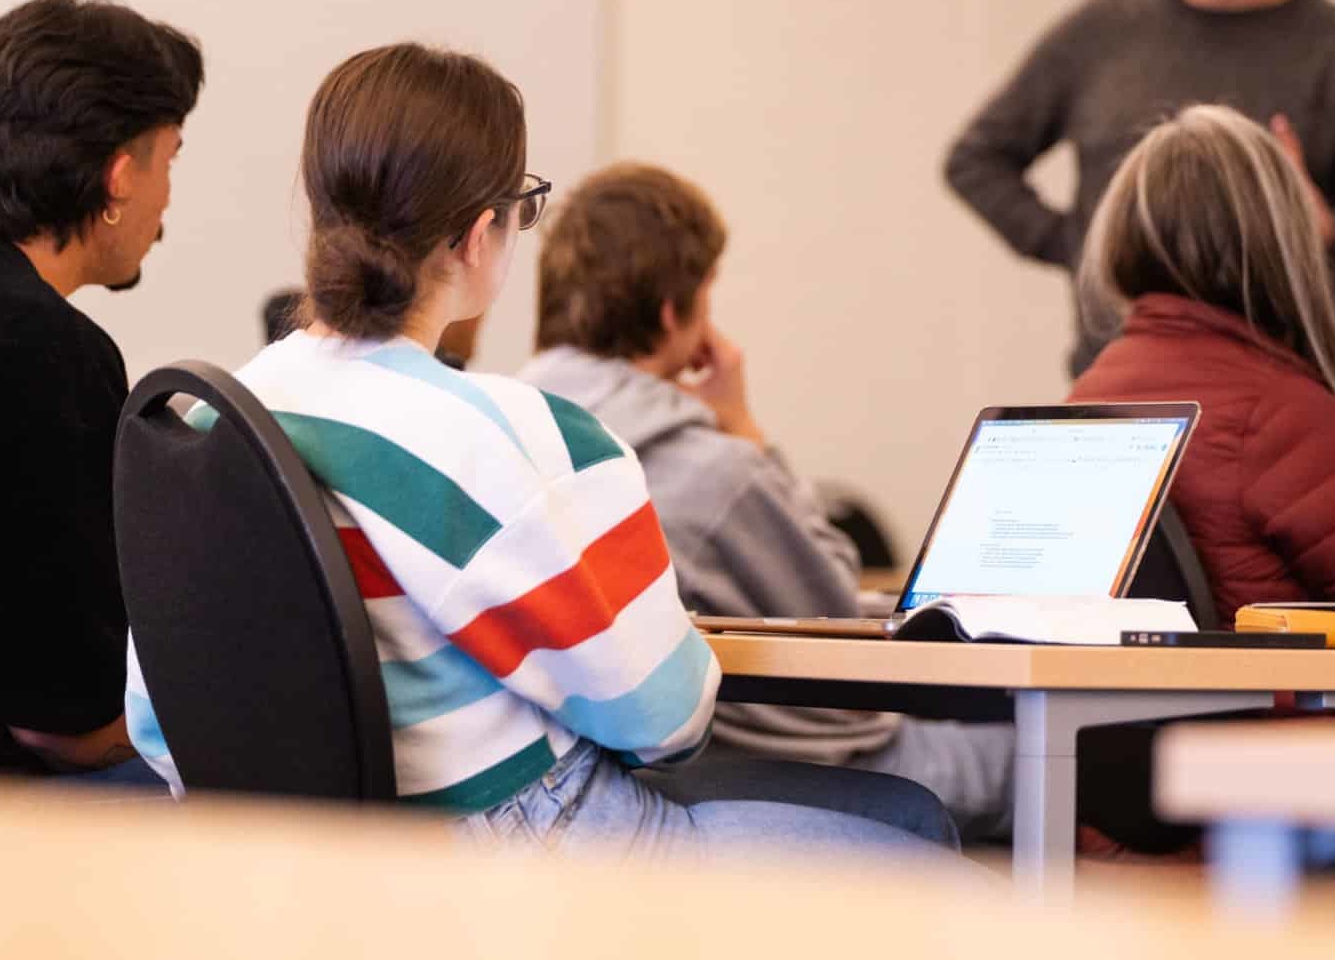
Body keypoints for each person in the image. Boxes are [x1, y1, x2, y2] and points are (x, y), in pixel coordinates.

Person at [127, 43, 956, 856]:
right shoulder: (522, 437)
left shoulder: (207, 426)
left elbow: (157, 720)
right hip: (525, 840)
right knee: (915, 827)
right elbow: (666, 722)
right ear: (478, 234)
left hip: (273, 860)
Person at [521, 163, 1013, 841]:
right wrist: (745, 430)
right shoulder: (711, 470)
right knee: (1031, 757)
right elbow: (834, 608)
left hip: (596, 775)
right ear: (675, 313)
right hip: (778, 755)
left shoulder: (513, 429)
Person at [944, 0, 1335, 376]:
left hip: (1288, 392)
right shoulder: (1099, 30)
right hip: (1117, 386)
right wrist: (1081, 245)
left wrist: (1326, 231)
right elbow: (976, 160)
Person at [0, 0, 204, 780]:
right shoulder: (49, 350)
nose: (166, 201)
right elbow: (68, 715)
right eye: (172, 157)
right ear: (120, 177)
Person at [1071, 103, 1335, 627]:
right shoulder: (1281, 414)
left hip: (1131, 705)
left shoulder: (1089, 393)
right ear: (1282, 241)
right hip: (1280, 704)